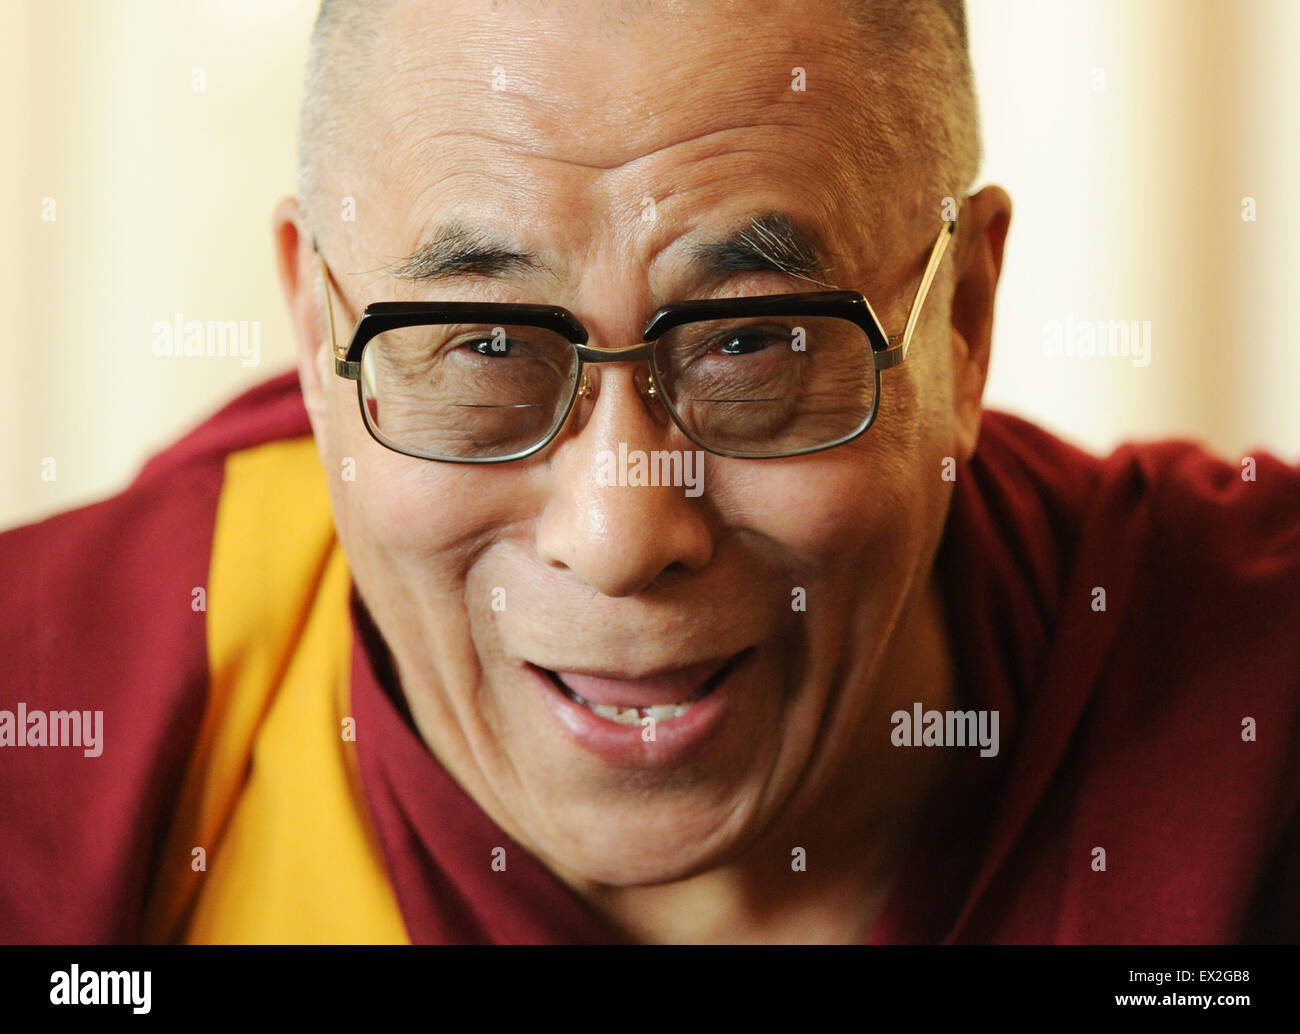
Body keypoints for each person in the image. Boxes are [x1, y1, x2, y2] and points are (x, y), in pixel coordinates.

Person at [1, 0, 1296, 945]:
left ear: (961, 318)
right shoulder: (64, 710)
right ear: (312, 327)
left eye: (748, 340)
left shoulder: (1251, 683)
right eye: (490, 345)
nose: (620, 534)